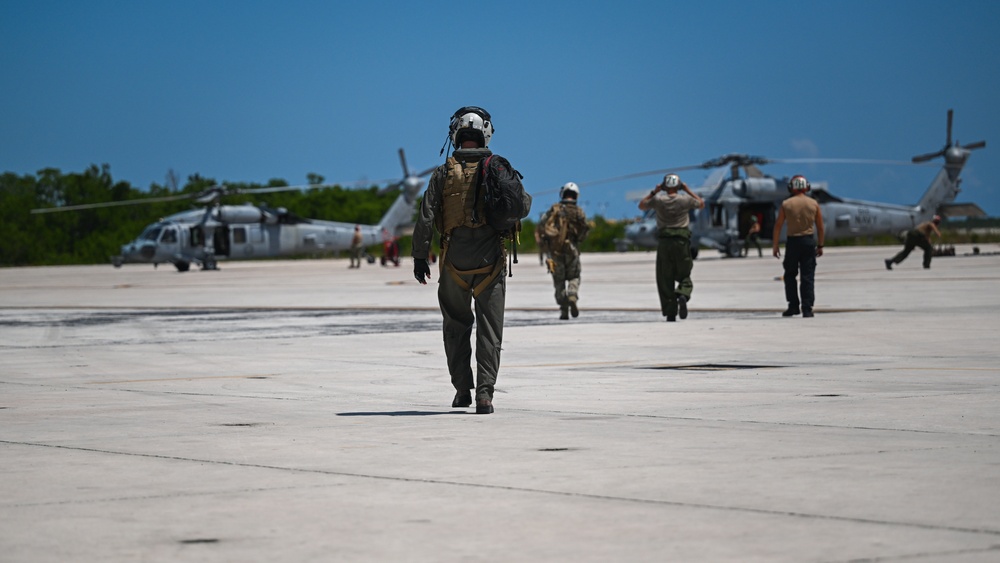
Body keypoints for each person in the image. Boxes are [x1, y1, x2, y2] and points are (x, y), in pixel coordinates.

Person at [411, 106, 530, 415]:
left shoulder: (442, 172)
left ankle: (463, 389)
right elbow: (524, 204)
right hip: (491, 261)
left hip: (453, 263)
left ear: (456, 135)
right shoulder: (498, 167)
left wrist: (419, 257)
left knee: (455, 326)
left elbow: (426, 217)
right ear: (486, 133)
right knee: (490, 331)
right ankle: (486, 395)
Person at [638, 173, 705, 322]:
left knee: (664, 277)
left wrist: (654, 191)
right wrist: (687, 190)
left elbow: (641, 205)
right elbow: (701, 204)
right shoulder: (685, 200)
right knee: (684, 274)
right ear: (678, 185)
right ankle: (682, 293)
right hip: (682, 240)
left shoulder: (658, 200)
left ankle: (670, 312)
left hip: (664, 241)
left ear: (664, 186)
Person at [772, 175, 825, 318]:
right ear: (806, 187)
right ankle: (807, 308)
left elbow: (778, 226)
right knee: (807, 276)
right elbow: (820, 227)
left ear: (792, 187)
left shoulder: (786, 204)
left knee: (790, 275)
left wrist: (775, 246)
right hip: (808, 242)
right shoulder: (814, 204)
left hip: (793, 243)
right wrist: (820, 245)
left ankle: (793, 306)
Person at [537, 182, 590, 320]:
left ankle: (564, 310)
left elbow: (543, 223)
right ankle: (572, 294)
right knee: (575, 277)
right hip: (572, 251)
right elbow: (584, 232)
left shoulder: (555, 209)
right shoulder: (579, 212)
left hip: (555, 252)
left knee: (559, 281)